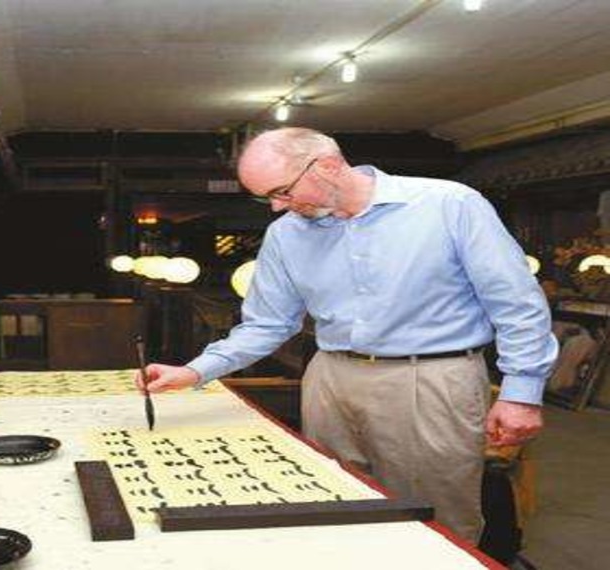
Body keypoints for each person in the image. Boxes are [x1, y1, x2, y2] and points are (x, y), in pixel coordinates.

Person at [139, 127, 557, 542]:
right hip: (329, 379)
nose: (275, 208)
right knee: (336, 504)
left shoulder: (449, 204)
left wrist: (522, 392)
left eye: (282, 191)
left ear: (328, 166)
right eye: (266, 197)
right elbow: (267, 324)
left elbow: (517, 302)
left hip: (429, 378)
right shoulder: (286, 234)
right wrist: (194, 372)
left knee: (437, 518)